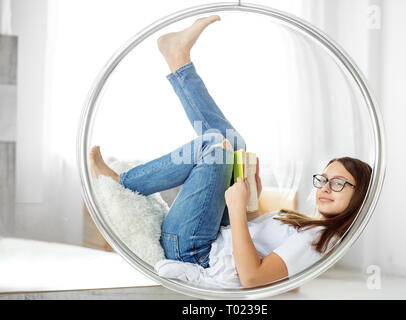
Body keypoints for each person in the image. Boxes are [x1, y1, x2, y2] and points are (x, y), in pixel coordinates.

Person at [89, 15, 372, 289]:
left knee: (214, 147)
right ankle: (178, 59)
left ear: (360, 194)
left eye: (338, 184)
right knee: (232, 145)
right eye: (323, 179)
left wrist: (237, 208)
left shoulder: (319, 240)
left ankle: (124, 183)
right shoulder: (313, 227)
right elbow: (250, 242)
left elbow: (252, 278)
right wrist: (252, 203)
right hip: (210, 241)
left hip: (195, 251)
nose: (325, 188)